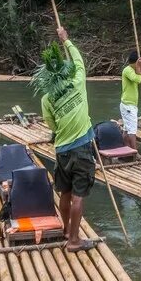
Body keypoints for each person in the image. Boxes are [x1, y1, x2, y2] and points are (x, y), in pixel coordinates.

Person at [36, 27, 97, 252]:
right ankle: (73, 240)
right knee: (79, 195)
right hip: (81, 149)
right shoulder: (77, 82)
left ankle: (65, 230)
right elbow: (80, 62)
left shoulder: (46, 97)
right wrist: (67, 40)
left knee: (65, 193)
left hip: (61, 150)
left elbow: (51, 124)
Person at [120, 50, 141, 150]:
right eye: (137, 63)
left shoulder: (133, 70)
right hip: (128, 105)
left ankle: (125, 150)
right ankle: (135, 152)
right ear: (135, 62)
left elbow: (140, 76)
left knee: (126, 130)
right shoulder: (128, 70)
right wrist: (138, 66)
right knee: (132, 131)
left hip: (130, 104)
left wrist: (139, 67)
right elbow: (138, 79)